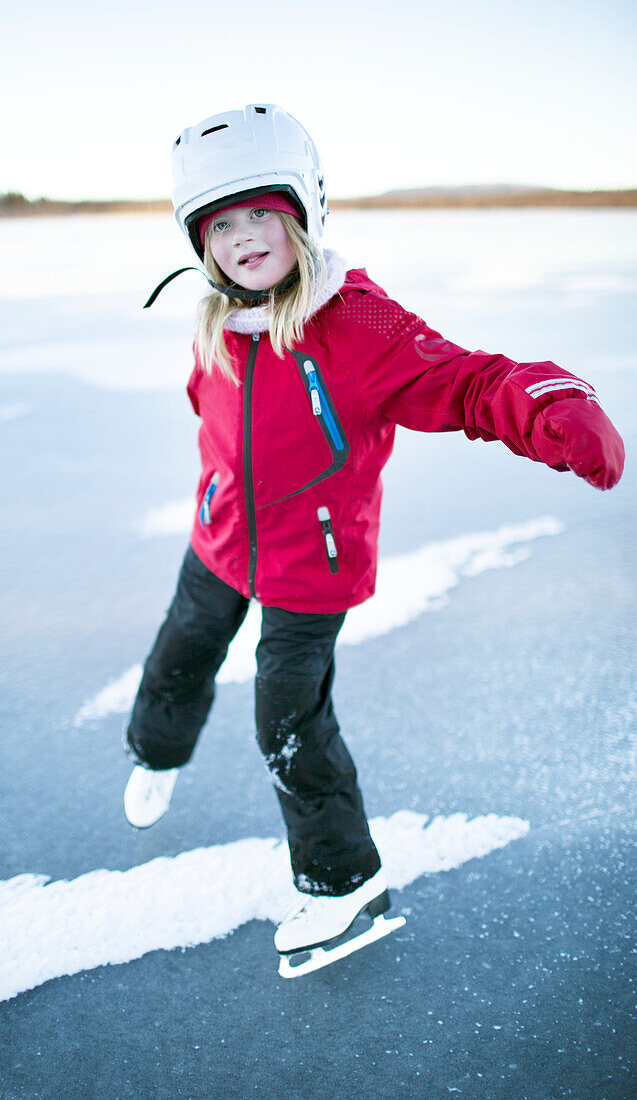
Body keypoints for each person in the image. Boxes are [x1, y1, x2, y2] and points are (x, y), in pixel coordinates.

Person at [123, 104, 625, 967]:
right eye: (221, 223)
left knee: (287, 721)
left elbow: (464, 383)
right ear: (197, 240)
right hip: (218, 536)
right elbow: (217, 424)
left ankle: (343, 885)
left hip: (309, 569)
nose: (245, 237)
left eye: (261, 213)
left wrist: (545, 401)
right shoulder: (213, 322)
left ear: (304, 212)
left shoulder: (351, 322)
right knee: (179, 654)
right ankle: (156, 752)